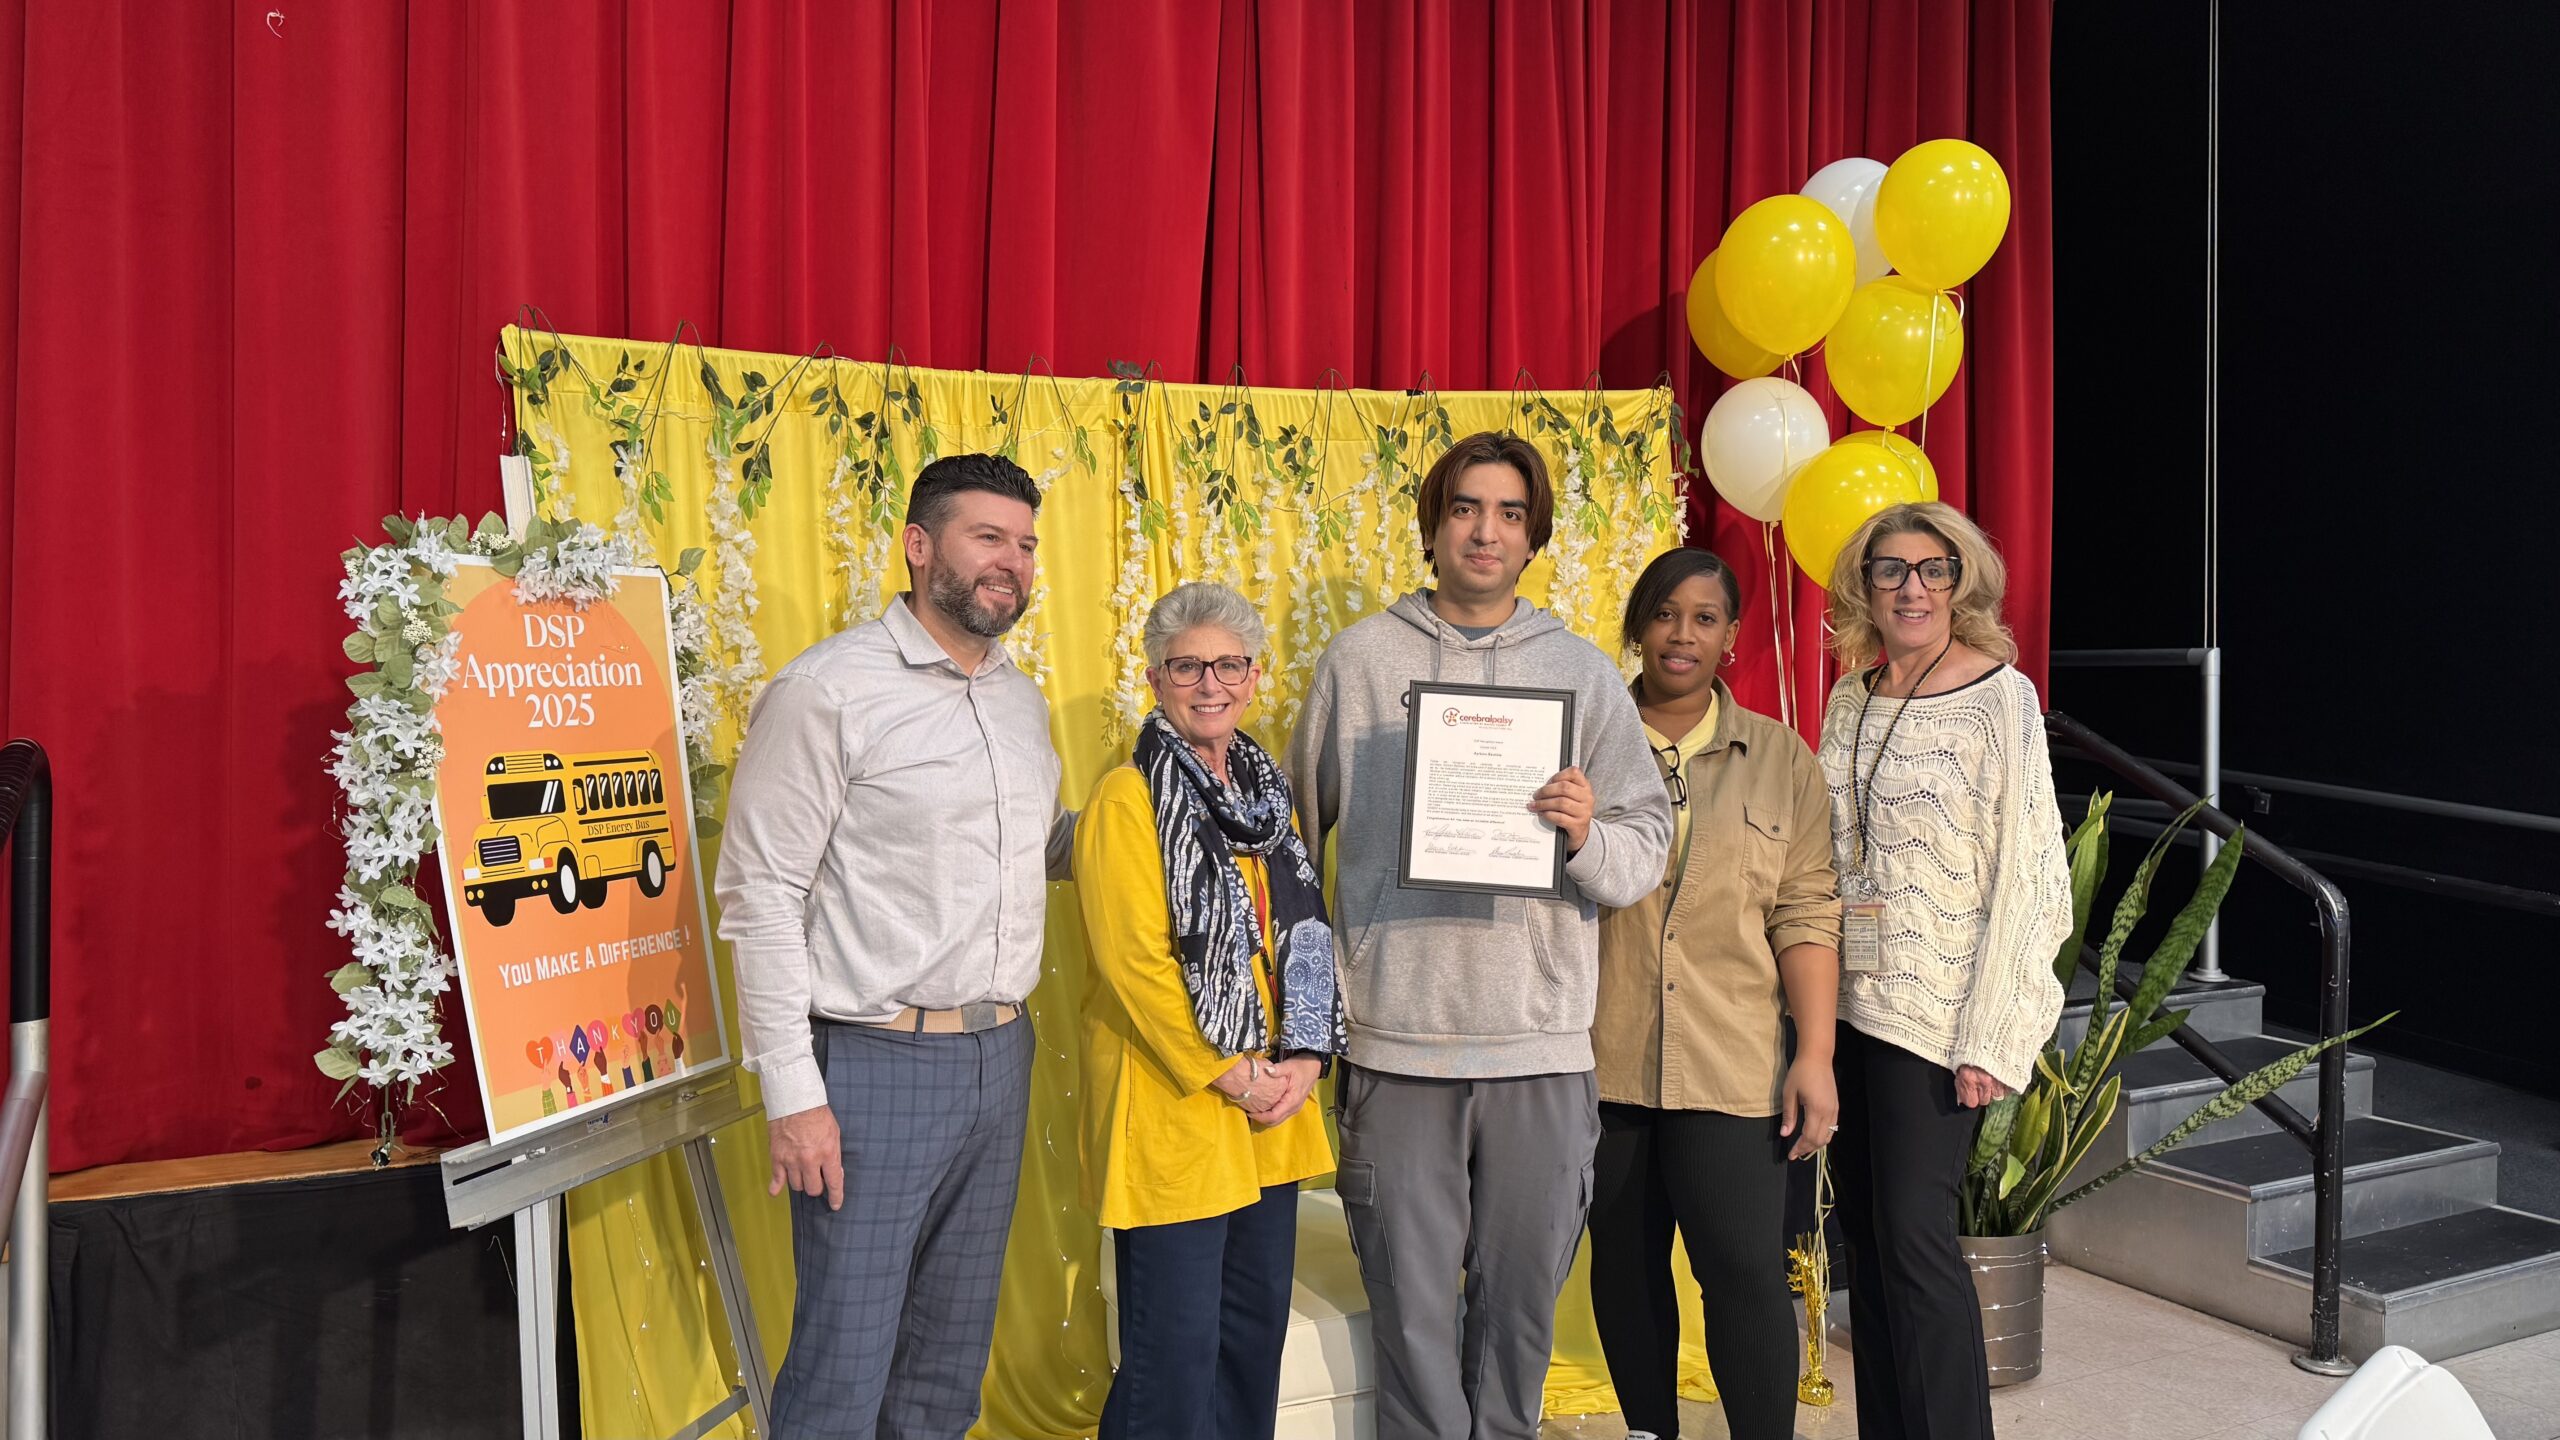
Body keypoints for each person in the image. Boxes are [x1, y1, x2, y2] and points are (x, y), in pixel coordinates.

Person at [1287, 430, 1673, 1440]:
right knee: (1412, 1321)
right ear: (1433, 527)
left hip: (1538, 1047)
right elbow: (1292, 845)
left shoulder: (1581, 674)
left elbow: (1643, 849)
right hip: (1397, 1042)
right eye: (1464, 508)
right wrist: (1312, 1016)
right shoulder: (1359, 661)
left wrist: (1585, 835)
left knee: (1517, 1318)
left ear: (1533, 536)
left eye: (1508, 513)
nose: (1485, 531)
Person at [715, 453, 1075, 1440]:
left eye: (1026, 544)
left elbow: (1038, 848)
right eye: (987, 537)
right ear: (919, 546)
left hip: (1001, 1057)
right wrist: (794, 1096)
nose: (1012, 562)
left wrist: (1157, 826)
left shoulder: (1019, 699)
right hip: (873, 1065)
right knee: (845, 1363)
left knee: (947, 1366)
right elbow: (761, 892)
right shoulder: (828, 691)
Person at [1813, 501, 2071, 1440]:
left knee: (1917, 1250)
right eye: (1891, 570)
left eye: (1933, 569)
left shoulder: (2002, 700)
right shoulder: (1852, 699)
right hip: (1843, 1006)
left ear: (1961, 583)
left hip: (1936, 1021)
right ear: (1865, 585)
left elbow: (2033, 879)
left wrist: (1992, 1037)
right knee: (1870, 1247)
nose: (1912, 588)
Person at [1074, 581, 1344, 1440]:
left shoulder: (1270, 798)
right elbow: (1134, 964)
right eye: (1187, 666)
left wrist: (1304, 1059)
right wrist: (1231, 1072)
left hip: (1270, 1108)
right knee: (1174, 1355)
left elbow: (1302, 930)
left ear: (1256, 677)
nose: (1210, 684)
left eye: (1229, 665)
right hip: (1178, 1105)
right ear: (1155, 678)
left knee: (1250, 1341)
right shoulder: (1127, 797)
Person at [1586, 548, 1841, 1440]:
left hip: (1732, 1061)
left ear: (1731, 634)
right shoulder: (1584, 743)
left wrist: (1815, 1054)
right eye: (1664, 614)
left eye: (1704, 618)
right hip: (1601, 1057)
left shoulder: (1780, 758)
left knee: (1742, 1273)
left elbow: (1806, 911)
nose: (1681, 635)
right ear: (1637, 626)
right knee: (1623, 1270)